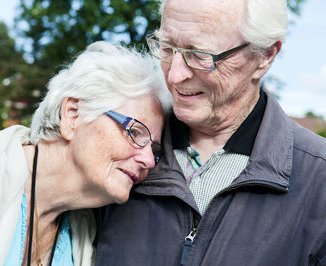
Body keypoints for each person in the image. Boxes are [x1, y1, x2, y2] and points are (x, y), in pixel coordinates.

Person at [94, 0, 326, 265]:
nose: (174, 76)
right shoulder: (116, 146)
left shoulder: (319, 180)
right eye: (167, 48)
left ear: (265, 56)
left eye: (199, 54)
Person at [0, 41, 169, 266]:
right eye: (135, 132)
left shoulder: (85, 231)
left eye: (154, 149)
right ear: (73, 116)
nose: (148, 160)